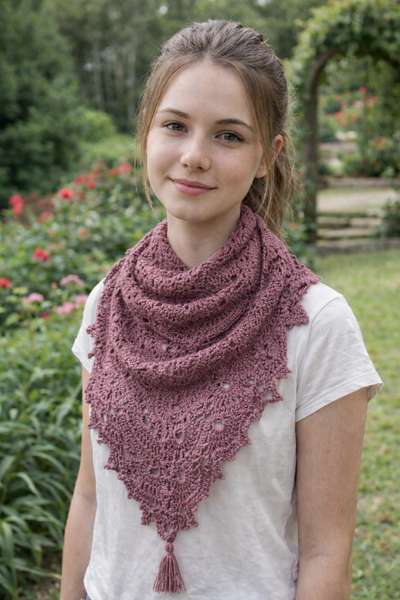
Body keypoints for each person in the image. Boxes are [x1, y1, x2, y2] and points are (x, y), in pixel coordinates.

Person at [61, 19, 383, 600]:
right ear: (146, 132)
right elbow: (89, 499)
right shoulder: (107, 303)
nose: (194, 156)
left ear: (267, 156)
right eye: (174, 126)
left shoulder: (317, 323)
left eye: (228, 136)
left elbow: (325, 552)